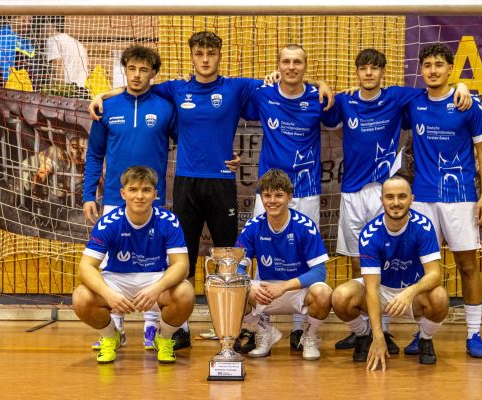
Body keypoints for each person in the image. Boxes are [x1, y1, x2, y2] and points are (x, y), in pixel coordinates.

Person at [88, 32, 331, 349]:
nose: (205, 59)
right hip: (186, 183)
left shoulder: (237, 87)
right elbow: (137, 87)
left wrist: (319, 84)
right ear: (191, 56)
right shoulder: (176, 89)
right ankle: (179, 329)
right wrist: (103, 95)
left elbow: (289, 80)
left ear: (219, 56)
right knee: (183, 259)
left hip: (222, 183)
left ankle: (230, 328)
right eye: (199, 53)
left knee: (230, 260)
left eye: (211, 53)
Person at [322, 48, 471, 353]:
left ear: (382, 72)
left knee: (385, 255)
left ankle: (385, 330)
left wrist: (462, 86)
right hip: (351, 191)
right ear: (356, 72)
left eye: (374, 68)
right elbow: (320, 104)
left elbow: (436, 90)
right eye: (363, 68)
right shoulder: (346, 101)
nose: (368, 73)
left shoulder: (397, 97)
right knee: (358, 260)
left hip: (384, 190)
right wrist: (321, 84)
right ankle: (365, 329)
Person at [84, 45, 176, 352]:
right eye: (131, 69)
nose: (136, 75)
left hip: (152, 200)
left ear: (153, 73)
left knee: (155, 262)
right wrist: (88, 194)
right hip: (114, 197)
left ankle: (152, 326)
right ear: (124, 70)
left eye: (143, 70)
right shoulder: (106, 108)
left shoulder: (165, 107)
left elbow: (190, 140)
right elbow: (94, 154)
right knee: (111, 264)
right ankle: (116, 328)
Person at [242, 44, 334, 349]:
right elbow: (229, 97)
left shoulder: (317, 98)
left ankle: (299, 328)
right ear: (278, 65)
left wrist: (322, 84)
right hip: (268, 192)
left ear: (305, 66)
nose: (291, 67)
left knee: (304, 255)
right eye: (286, 62)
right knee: (259, 249)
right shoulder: (263, 94)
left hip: (306, 190)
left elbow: (341, 108)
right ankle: (262, 328)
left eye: (297, 62)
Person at [404, 43, 482, 358]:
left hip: (461, 199)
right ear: (421, 69)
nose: (432, 70)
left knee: (467, 266)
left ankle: (474, 334)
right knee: (421, 269)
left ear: (450, 69)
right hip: (423, 199)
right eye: (427, 65)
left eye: (439, 64)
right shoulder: (414, 102)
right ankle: (422, 333)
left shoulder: (468, 104)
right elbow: (376, 98)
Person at [72, 166, 194, 364]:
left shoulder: (168, 220)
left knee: (186, 293)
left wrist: (158, 288)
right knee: (81, 297)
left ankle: (164, 338)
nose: (139, 196)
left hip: (155, 279)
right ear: (123, 193)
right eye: (133, 190)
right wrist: (107, 293)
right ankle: (111, 336)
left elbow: (182, 265)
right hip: (117, 280)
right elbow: (85, 267)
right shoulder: (108, 222)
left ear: (155, 194)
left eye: (146, 190)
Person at [331, 176, 449, 368]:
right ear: (382, 200)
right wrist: (378, 336)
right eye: (389, 197)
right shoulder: (370, 234)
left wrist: (409, 292)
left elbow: (435, 274)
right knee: (340, 296)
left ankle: (425, 339)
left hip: (412, 294)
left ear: (411, 199)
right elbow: (371, 288)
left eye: (402, 196)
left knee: (440, 297)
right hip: (381, 290)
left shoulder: (424, 226)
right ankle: (364, 336)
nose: (395, 203)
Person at [235, 169, 332, 361]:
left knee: (324, 293)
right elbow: (237, 268)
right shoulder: (253, 226)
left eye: (278, 195)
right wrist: (248, 286)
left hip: (297, 290)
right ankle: (264, 331)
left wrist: (284, 287)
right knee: (232, 288)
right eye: (267, 195)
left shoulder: (305, 226)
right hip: (264, 291)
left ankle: (310, 337)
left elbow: (319, 272)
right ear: (261, 198)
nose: (272, 201)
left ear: (289, 197)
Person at [43, 16, 89, 96]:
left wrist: (57, 92)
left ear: (49, 25)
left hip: (68, 91)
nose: (42, 31)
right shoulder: (77, 43)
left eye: (43, 27)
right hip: (84, 90)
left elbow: (58, 65)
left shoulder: (53, 41)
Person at [0, 15, 35, 86]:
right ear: (13, 19)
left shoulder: (27, 41)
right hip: (13, 86)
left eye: (30, 21)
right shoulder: (7, 37)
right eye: (23, 21)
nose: (28, 23)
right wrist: (10, 83)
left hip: (27, 86)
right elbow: (4, 64)